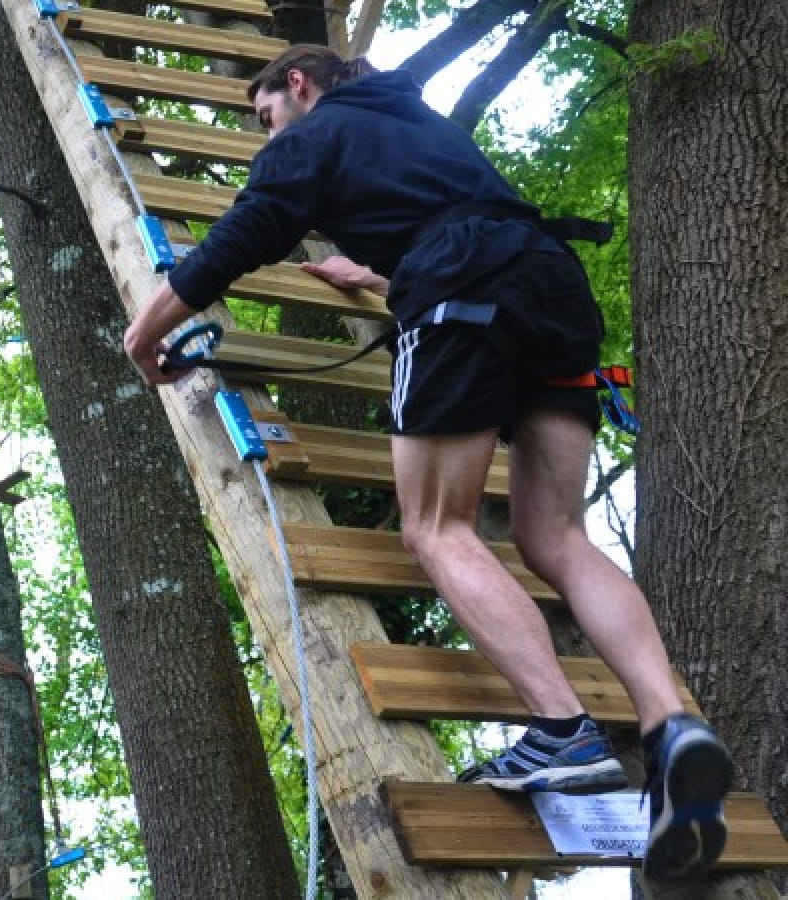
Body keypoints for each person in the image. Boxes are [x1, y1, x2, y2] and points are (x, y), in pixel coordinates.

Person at [121, 44, 733, 880]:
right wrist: (380, 272)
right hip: (550, 287)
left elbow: (249, 230)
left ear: (297, 85)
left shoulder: (314, 131)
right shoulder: (418, 124)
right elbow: (457, 221)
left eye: (267, 117)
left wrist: (146, 329)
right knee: (558, 536)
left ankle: (562, 730)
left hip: (459, 290)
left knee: (435, 528)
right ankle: (670, 725)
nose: (269, 136)